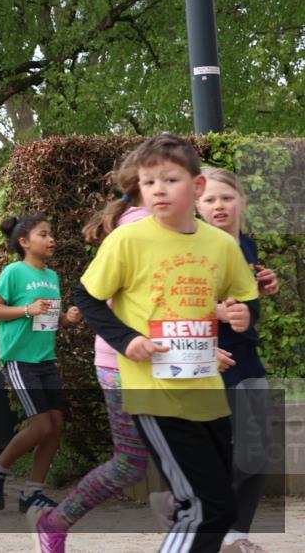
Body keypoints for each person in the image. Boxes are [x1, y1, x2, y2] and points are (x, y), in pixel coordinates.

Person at [75, 134, 260, 553]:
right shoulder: (128, 240)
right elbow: (86, 297)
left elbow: (243, 297)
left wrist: (243, 313)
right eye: (148, 181)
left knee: (221, 506)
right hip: (154, 392)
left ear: (196, 188)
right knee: (203, 505)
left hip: (207, 392)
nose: (157, 188)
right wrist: (127, 340)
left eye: (169, 179)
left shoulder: (220, 244)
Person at [27, 153, 154, 552]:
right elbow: (92, 296)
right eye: (158, 181)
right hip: (122, 363)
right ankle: (55, 521)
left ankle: (201, 531)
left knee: (186, 449)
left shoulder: (177, 231)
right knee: (132, 462)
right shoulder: (137, 232)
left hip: (167, 361)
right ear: (141, 189)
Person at [197, 167, 280, 553]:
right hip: (212, 360)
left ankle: (235, 534)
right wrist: (207, 337)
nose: (218, 206)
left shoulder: (246, 245)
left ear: (241, 202)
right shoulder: (193, 248)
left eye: (226, 198)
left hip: (246, 355)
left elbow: (246, 306)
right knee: (235, 453)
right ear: (196, 204)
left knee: (259, 450)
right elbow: (173, 304)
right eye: (210, 199)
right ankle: (201, 517)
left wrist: (264, 285)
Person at [0, 214, 82, 513]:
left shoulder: (52, 277)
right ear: (25, 242)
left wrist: (67, 320)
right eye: (43, 234)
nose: (51, 239)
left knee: (55, 426)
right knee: (40, 426)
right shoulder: (14, 272)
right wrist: (27, 308)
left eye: (51, 234)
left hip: (46, 359)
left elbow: (48, 318)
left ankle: (32, 492)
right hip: (19, 359)